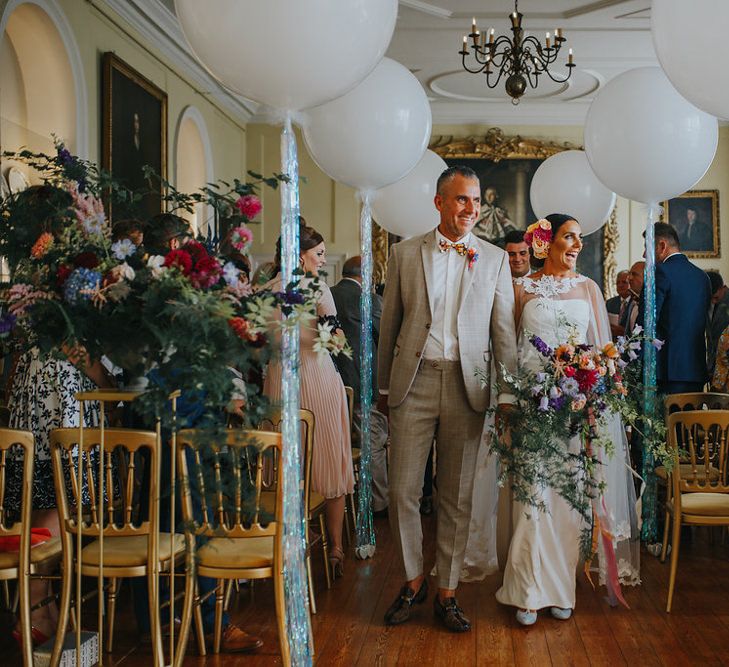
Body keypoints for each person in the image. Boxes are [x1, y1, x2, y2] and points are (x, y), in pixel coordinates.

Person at [378, 165, 518, 632]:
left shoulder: (495, 259)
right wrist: (382, 387)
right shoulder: (403, 254)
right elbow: (389, 326)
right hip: (411, 383)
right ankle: (414, 580)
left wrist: (509, 397)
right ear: (439, 202)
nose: (471, 209)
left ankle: (448, 592)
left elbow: (503, 334)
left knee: (456, 496)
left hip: (468, 386)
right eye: (462, 200)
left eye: (476, 201)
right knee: (402, 491)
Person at [496, 214, 639, 625]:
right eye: (569, 237)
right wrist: (509, 400)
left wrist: (595, 386)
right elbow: (508, 351)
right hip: (530, 407)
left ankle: (560, 589)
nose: (577, 244)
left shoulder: (589, 288)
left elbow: (600, 352)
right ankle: (525, 591)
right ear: (547, 241)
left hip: (575, 410)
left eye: (579, 238)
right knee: (531, 498)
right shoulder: (520, 289)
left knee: (567, 502)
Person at [263, 219, 354, 575]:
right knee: (329, 461)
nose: (322, 259)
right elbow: (334, 342)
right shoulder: (317, 290)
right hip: (316, 379)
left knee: (288, 465)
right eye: (318, 254)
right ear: (301, 257)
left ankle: (293, 542)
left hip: (278, 383)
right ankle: (334, 548)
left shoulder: (265, 290)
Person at [7, 347, 113, 643]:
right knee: (63, 500)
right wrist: (106, 384)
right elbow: (73, 345)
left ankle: (42, 606)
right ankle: (34, 608)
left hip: (35, 384)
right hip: (63, 391)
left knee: (44, 501)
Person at [330, 256, 389, 517]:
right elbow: (386, 334)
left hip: (332, 381)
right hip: (362, 380)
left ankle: (341, 499)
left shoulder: (328, 294)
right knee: (372, 442)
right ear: (366, 277)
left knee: (338, 444)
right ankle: (379, 503)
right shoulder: (368, 300)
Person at [638, 222, 712, 394]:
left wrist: (630, 362)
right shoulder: (702, 277)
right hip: (695, 372)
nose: (643, 254)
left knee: (662, 421)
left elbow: (646, 323)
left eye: (646, 247)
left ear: (662, 246)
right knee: (689, 421)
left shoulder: (659, 272)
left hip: (665, 373)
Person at [706, 271, 729, 378]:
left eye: (715, 297)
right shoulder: (707, 302)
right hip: (713, 367)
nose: (713, 302)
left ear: (722, 288)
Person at [605, 270, 631, 338]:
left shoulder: (636, 303)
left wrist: (624, 332)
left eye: (624, 282)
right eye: (618, 282)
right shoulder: (610, 303)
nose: (620, 285)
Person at [625, 261, 645, 335]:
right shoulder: (631, 301)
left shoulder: (652, 304)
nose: (629, 278)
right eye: (629, 274)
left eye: (634, 274)